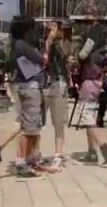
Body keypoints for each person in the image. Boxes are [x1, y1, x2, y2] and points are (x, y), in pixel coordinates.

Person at [9, 17, 46, 178]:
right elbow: (42, 60)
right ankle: (21, 163)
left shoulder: (18, 44)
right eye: (32, 28)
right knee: (29, 128)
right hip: (30, 88)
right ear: (26, 30)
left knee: (32, 126)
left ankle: (29, 159)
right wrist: (48, 43)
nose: (34, 31)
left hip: (28, 87)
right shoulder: (22, 45)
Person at [74, 42, 107, 167]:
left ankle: (106, 149)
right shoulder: (99, 55)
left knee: (88, 120)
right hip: (94, 87)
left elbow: (81, 56)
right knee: (89, 119)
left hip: (88, 86)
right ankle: (92, 152)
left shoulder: (92, 54)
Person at [43, 22, 72, 172]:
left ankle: (58, 156)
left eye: (54, 28)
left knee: (58, 122)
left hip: (59, 84)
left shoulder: (64, 44)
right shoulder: (45, 44)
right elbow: (43, 60)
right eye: (49, 28)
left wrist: (51, 41)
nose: (51, 31)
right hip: (45, 85)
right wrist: (48, 40)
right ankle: (34, 153)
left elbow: (64, 58)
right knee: (37, 121)